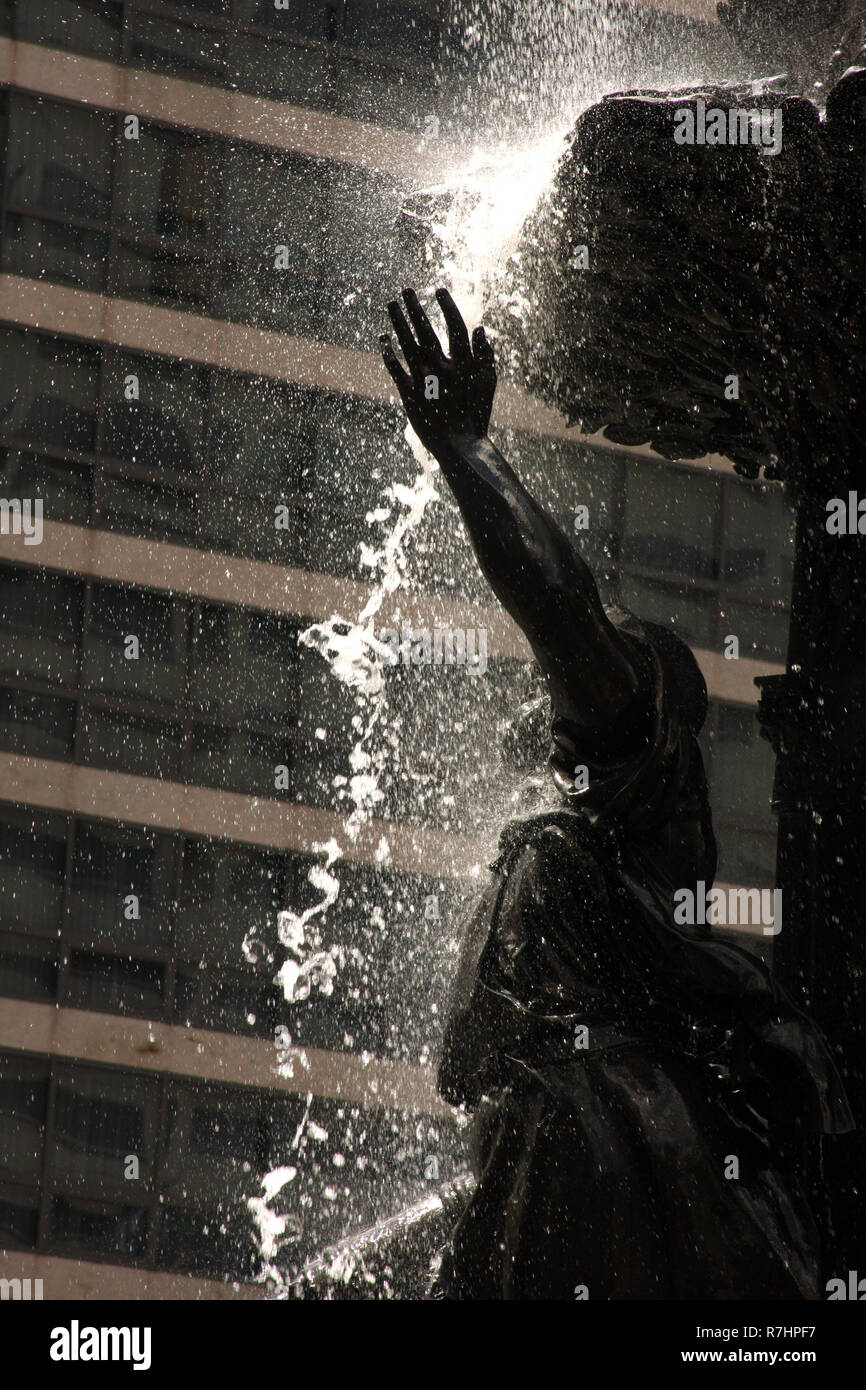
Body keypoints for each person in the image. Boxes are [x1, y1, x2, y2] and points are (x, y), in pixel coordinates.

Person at [380, 288, 852, 1300]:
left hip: (593, 1131)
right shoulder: (595, 819)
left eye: (599, 658)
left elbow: (557, 604)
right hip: (578, 1126)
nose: (566, 674)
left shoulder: (624, 763)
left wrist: (466, 450)